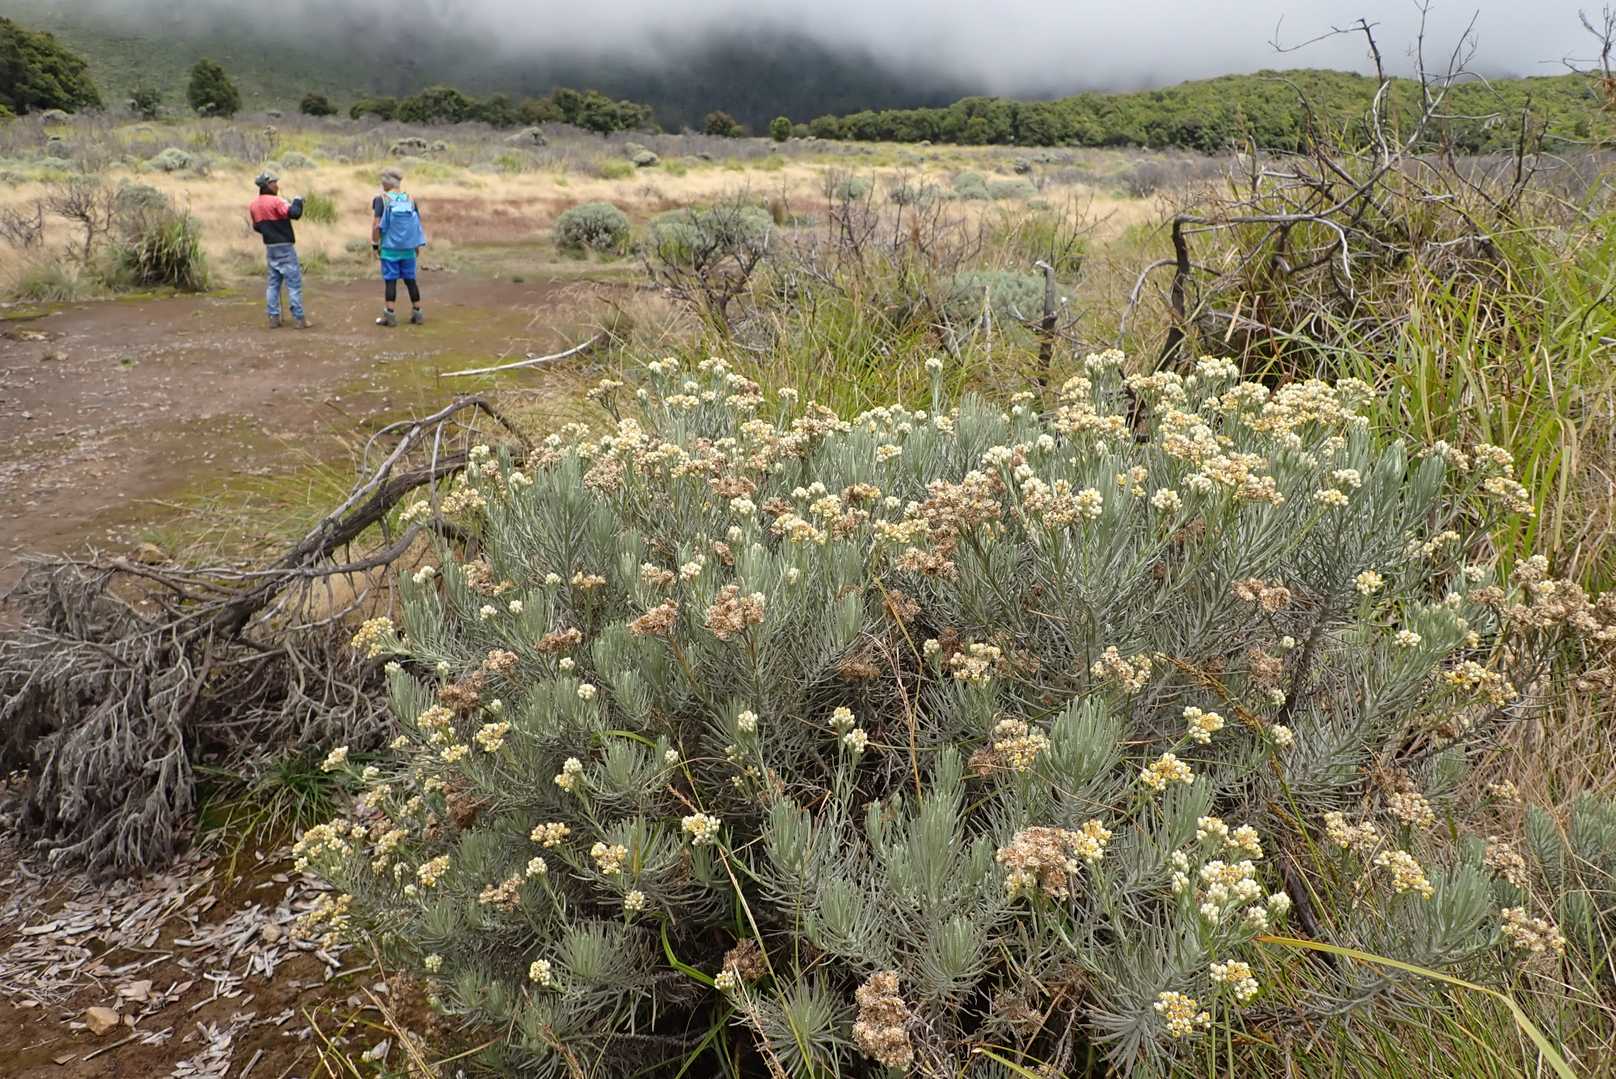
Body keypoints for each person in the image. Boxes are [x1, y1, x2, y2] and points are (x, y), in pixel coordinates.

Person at [248, 170, 307, 329]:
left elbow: (257, 227)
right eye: (274, 182)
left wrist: (270, 232)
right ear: (268, 184)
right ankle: (299, 318)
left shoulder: (254, 205)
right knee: (293, 284)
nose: (277, 185)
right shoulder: (276, 201)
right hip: (285, 247)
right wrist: (298, 200)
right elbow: (295, 213)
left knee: (273, 284)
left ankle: (273, 318)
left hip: (270, 247)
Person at [371, 169, 426, 326]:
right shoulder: (410, 199)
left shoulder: (381, 200)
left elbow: (376, 225)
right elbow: (416, 224)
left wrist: (375, 245)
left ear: (388, 183)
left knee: (390, 282)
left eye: (383, 180)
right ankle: (418, 314)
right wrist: (416, 245)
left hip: (389, 250)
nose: (381, 183)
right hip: (409, 249)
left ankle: (390, 316)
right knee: (411, 281)